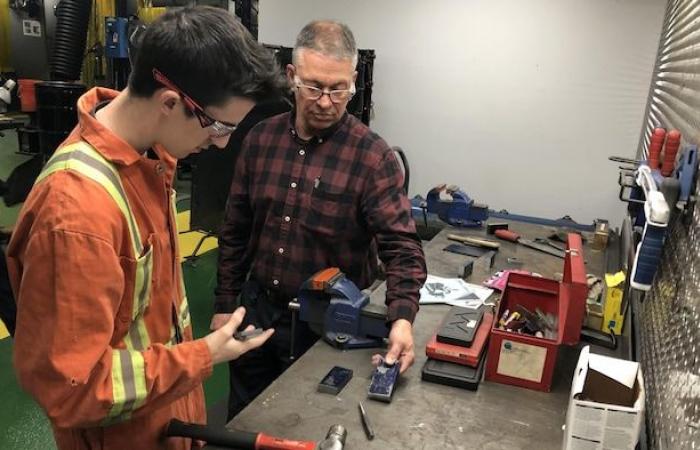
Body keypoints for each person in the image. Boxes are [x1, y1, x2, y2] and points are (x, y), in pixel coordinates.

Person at [6, 7, 285, 450]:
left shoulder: (149, 166)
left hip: (164, 422)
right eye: (218, 126)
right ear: (170, 102)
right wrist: (203, 355)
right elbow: (74, 388)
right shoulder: (79, 213)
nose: (223, 143)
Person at [213, 20, 427, 419]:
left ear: (353, 80)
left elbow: (402, 248)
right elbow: (236, 231)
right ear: (292, 77)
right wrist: (226, 303)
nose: (326, 101)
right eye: (314, 87)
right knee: (244, 422)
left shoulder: (372, 157)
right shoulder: (260, 140)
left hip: (329, 328)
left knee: (312, 426)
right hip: (258, 315)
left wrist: (402, 318)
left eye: (338, 89)